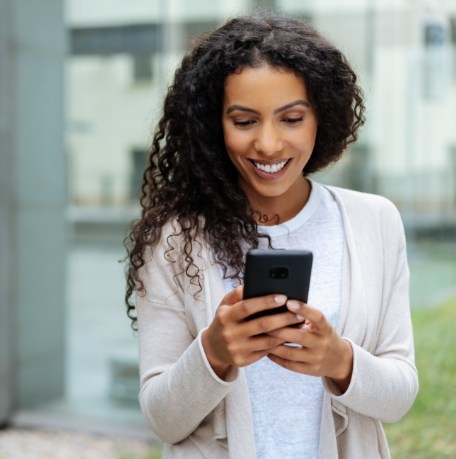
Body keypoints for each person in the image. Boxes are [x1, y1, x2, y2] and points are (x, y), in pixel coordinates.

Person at [124, 12, 418, 459]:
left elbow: (399, 397)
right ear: (212, 125)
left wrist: (339, 360)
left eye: (291, 118)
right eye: (244, 122)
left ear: (321, 117)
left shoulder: (374, 221)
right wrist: (214, 352)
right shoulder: (174, 239)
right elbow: (163, 420)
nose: (268, 144)